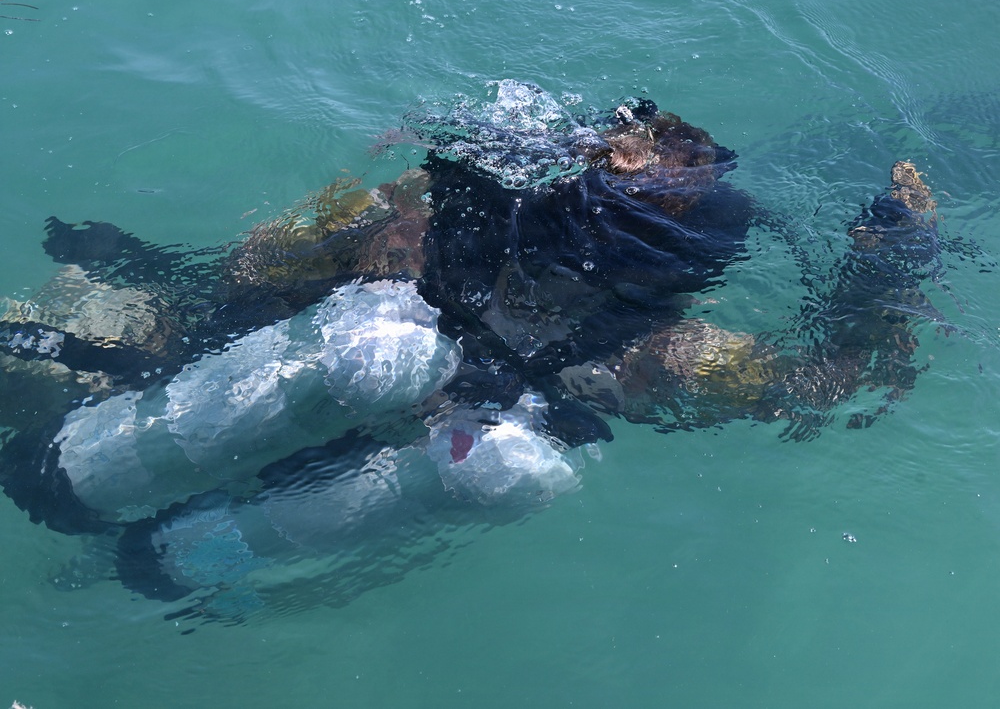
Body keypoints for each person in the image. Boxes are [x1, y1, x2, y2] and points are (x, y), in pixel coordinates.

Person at [0, 82, 944, 610]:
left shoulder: (405, 227)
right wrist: (887, 279)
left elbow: (248, 272)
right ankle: (167, 560)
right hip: (314, 499)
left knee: (69, 331)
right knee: (506, 463)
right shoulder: (654, 352)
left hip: (188, 402)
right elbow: (819, 384)